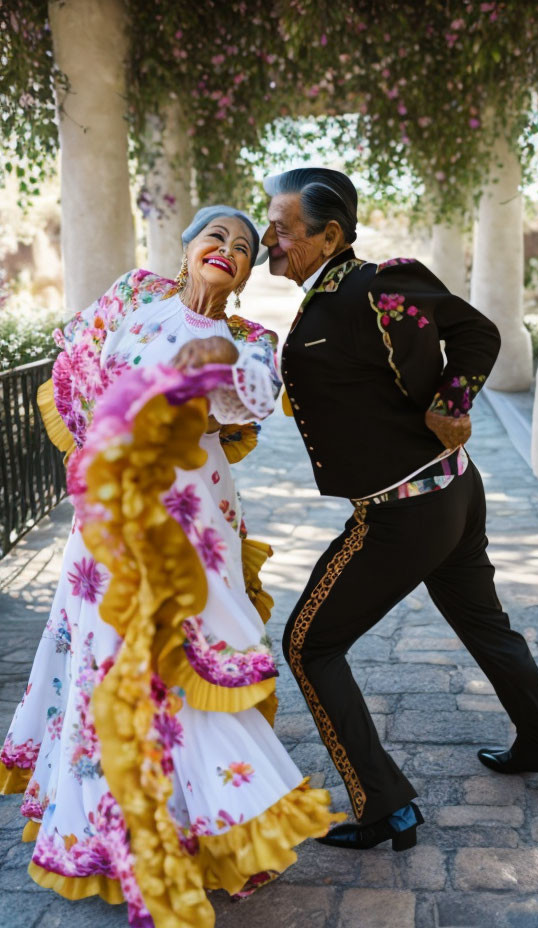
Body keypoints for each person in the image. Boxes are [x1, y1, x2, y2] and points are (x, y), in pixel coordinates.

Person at [0, 205, 340, 927]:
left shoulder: (251, 340)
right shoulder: (130, 296)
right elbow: (79, 372)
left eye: (245, 248)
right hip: (112, 515)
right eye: (215, 236)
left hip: (193, 522)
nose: (229, 249)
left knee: (185, 660)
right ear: (185, 250)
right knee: (108, 660)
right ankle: (117, 831)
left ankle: (219, 832)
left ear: (247, 276)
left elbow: (244, 401)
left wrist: (201, 364)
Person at [261, 167, 538, 852]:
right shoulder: (322, 300)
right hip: (450, 493)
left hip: (405, 512)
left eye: (282, 225)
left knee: (309, 644)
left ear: (331, 233)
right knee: (486, 627)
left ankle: (385, 805)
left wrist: (451, 401)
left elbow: (478, 333)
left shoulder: (383, 281)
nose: (268, 237)